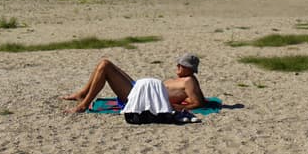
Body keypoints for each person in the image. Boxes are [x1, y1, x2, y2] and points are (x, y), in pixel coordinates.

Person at [63, 54, 206, 114]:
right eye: (178, 64)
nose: (178, 66)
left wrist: (178, 107)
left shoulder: (189, 81)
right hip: (138, 88)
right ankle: (82, 94)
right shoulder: (182, 79)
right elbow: (191, 98)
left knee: (105, 66)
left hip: (139, 97)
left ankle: (84, 105)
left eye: (181, 65)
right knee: (104, 62)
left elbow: (197, 102)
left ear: (190, 69)